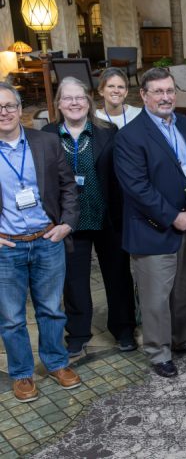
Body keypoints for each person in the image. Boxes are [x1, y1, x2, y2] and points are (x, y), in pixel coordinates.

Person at [114, 68, 186, 378]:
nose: (166, 97)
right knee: (156, 297)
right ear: (143, 95)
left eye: (170, 90)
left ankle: (184, 338)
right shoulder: (130, 136)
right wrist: (173, 216)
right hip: (152, 228)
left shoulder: (184, 123)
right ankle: (159, 352)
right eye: (157, 92)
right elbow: (137, 188)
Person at [42, 77, 137, 357]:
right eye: (68, 98)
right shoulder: (47, 135)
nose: (74, 103)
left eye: (80, 98)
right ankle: (79, 332)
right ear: (59, 104)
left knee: (118, 275)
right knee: (74, 280)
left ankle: (123, 329)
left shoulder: (108, 131)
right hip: (68, 220)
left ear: (89, 101)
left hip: (108, 215)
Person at [0, 82, 81, 403]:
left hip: (48, 240)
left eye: (9, 106)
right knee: (11, 317)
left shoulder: (46, 142)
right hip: (7, 248)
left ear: (21, 110)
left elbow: (68, 187)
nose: (3, 112)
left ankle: (57, 363)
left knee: (51, 309)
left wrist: (66, 224)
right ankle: (21, 374)